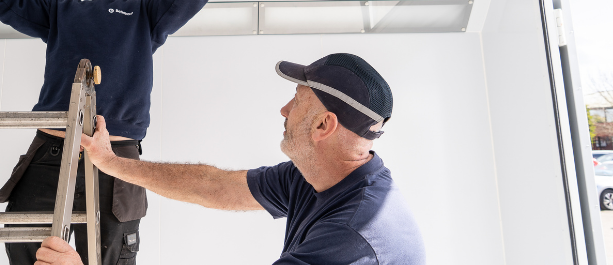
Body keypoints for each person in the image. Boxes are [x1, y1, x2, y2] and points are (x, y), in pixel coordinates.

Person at [0, 0, 260, 265]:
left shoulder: (146, 14)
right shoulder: (60, 12)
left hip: (116, 157)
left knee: (111, 257)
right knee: (29, 251)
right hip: (51, 152)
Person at [45, 53, 426, 265]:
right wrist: (111, 163)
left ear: (324, 125)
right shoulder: (314, 179)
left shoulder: (353, 236)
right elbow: (216, 186)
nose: (284, 109)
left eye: (298, 100)